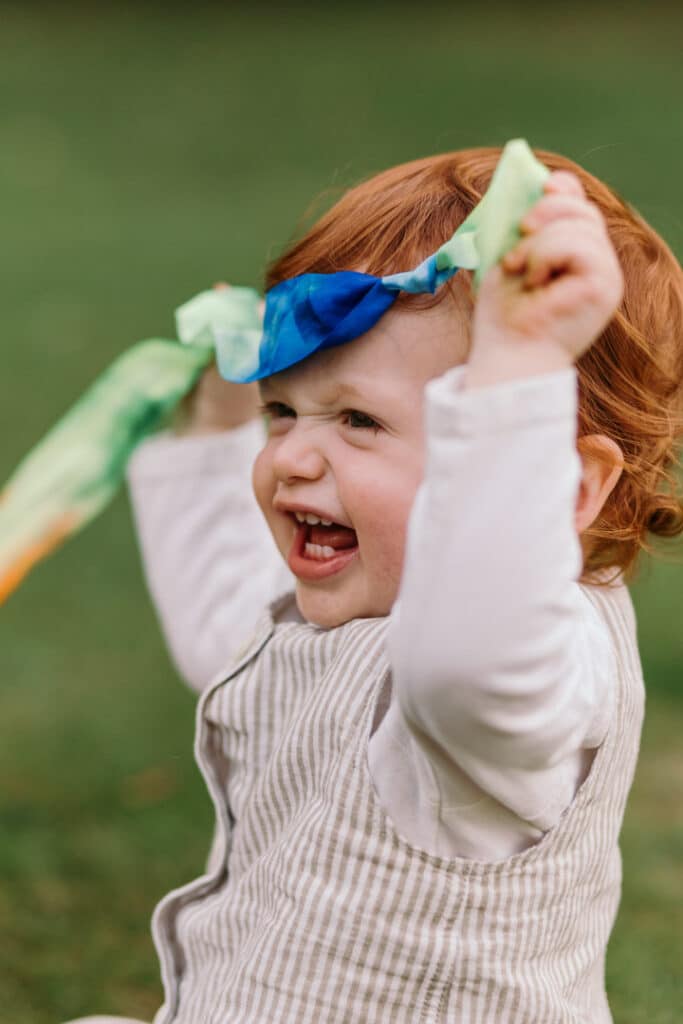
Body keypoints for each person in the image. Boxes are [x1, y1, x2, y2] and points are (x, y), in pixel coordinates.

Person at [71, 146, 683, 1023]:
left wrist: (515, 370)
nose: (289, 456)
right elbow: (228, 639)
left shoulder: (527, 667)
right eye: (281, 410)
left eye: (358, 419)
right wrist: (218, 421)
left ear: (558, 487)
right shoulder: (361, 609)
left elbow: (466, 665)